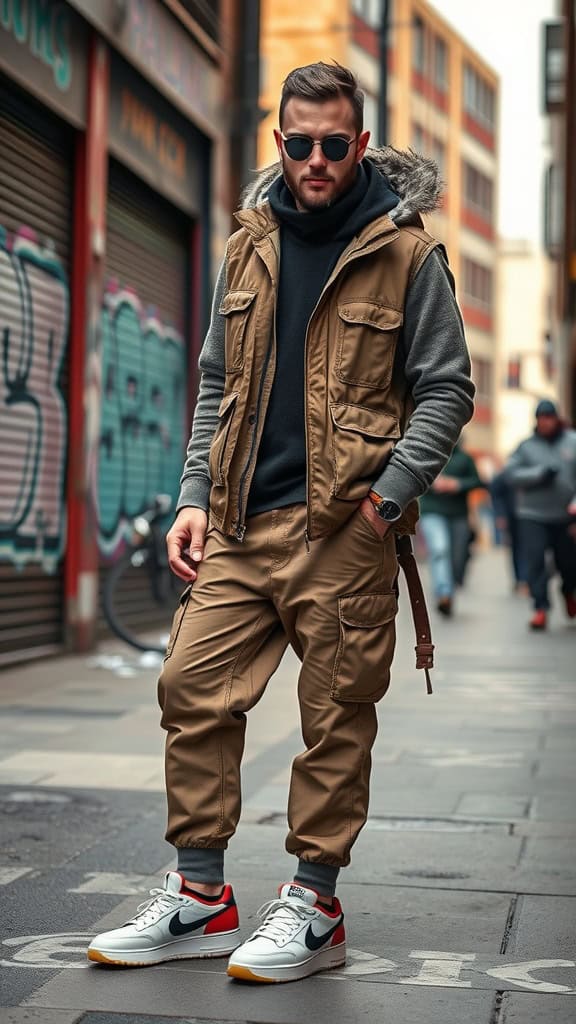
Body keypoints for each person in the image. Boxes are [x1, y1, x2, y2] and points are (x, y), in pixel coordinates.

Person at [87, 62, 474, 983]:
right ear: (279, 142)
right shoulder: (249, 244)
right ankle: (201, 895)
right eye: (298, 143)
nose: (315, 160)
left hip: (345, 525)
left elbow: (447, 388)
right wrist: (190, 496)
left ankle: (313, 905)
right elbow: (218, 382)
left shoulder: (407, 254)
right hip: (238, 517)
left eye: (334, 145)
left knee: (334, 716)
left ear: (361, 144)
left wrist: (386, 498)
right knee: (190, 685)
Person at [505, 399, 576, 630]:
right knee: (535, 561)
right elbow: (510, 474)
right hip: (532, 514)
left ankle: (568, 592)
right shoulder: (526, 447)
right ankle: (540, 608)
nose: (545, 422)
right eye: (541, 418)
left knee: (568, 563)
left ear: (557, 419)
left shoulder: (572, 442)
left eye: (549, 417)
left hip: (564, 515)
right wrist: (539, 474)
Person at [419, 439, 483, 616]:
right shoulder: (427, 453)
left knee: (458, 556)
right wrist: (432, 482)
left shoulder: (465, 458)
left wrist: (457, 484)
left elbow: (478, 481)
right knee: (439, 549)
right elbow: (411, 476)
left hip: (458, 514)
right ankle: (444, 594)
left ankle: (450, 587)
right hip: (432, 511)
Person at [489, 468, 528, 592]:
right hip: (513, 517)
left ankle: (526, 580)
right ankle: (521, 580)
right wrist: (500, 515)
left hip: (531, 516)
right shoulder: (507, 473)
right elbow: (496, 492)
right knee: (517, 548)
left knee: (530, 549)